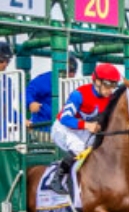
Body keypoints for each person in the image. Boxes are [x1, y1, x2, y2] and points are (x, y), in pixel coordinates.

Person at [48, 63, 121, 194]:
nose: (110, 89)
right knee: (78, 147)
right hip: (63, 128)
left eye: (114, 85)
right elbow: (65, 118)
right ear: (96, 81)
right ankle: (56, 178)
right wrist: (87, 125)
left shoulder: (109, 99)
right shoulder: (79, 94)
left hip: (83, 131)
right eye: (107, 84)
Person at [26, 57, 79, 132]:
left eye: (74, 72)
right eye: (70, 71)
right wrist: (31, 103)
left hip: (60, 129)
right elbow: (27, 92)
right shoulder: (46, 79)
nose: (72, 74)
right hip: (43, 129)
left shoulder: (69, 85)